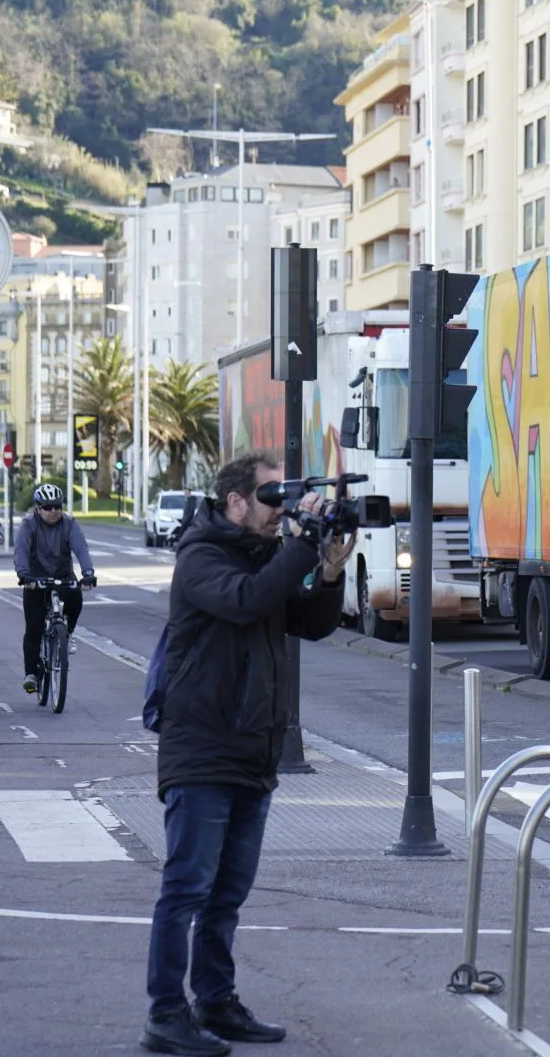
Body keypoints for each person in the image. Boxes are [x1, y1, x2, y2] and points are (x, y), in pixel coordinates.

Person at [140, 453, 354, 1057]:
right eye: (270, 499)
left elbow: (307, 624)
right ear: (234, 500)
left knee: (226, 896)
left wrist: (330, 571)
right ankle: (163, 1014)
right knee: (187, 889)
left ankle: (216, 1002)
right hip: (202, 747)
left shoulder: (266, 555)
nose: (279, 512)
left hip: (252, 749)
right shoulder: (200, 555)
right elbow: (246, 601)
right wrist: (300, 545)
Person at [14, 482, 96, 693]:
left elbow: (81, 548)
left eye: (58, 506)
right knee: (33, 628)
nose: (54, 511)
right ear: (38, 508)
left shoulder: (69, 524)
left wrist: (88, 574)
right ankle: (31, 674)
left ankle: (66, 634)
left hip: (63, 576)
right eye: (48, 507)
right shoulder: (28, 525)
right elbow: (21, 551)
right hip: (35, 579)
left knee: (76, 597)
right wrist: (24, 575)